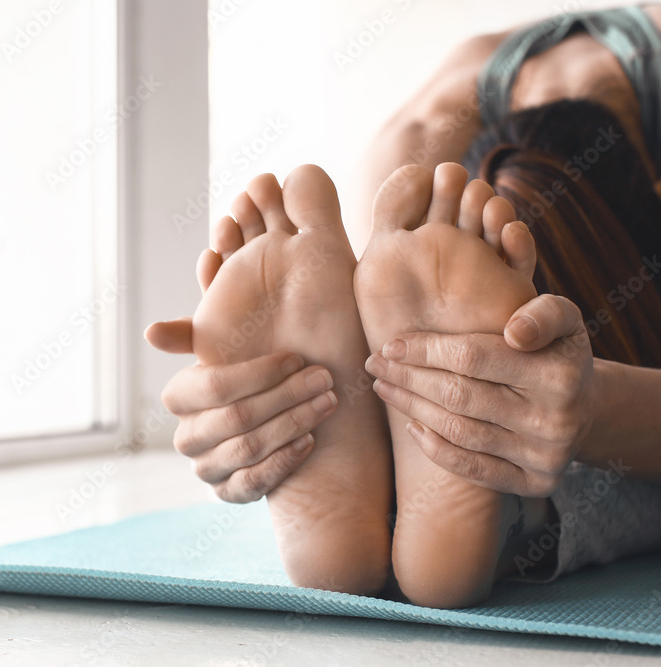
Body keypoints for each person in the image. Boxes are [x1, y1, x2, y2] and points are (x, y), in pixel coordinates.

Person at [145, 5, 661, 608]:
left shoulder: (446, 102)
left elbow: (375, 319)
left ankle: (422, 476)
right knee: (582, 475)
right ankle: (506, 511)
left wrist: (289, 395)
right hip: (616, 317)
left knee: (401, 370)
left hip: (494, 180)